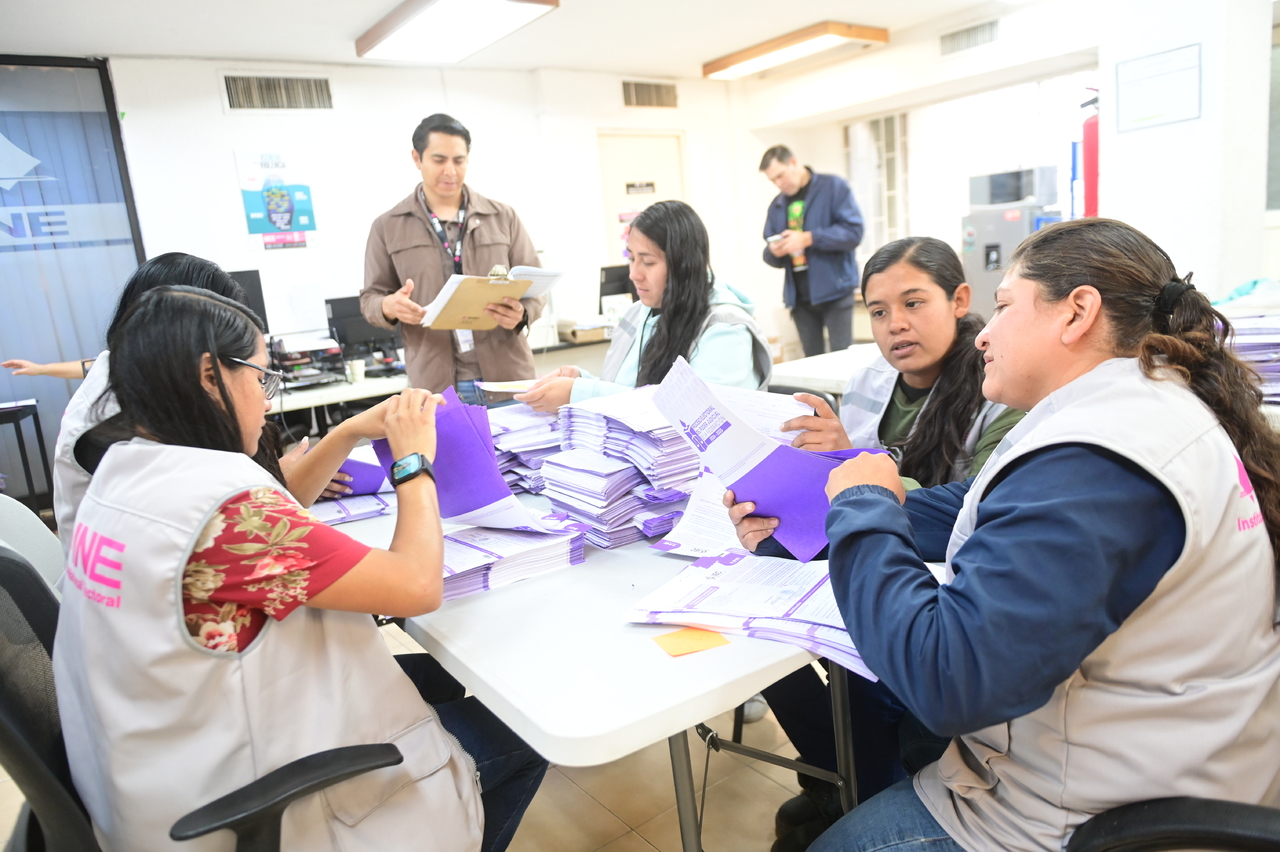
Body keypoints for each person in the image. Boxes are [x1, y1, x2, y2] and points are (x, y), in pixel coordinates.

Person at [736, 218, 1280, 852]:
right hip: (1143, 761)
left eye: (1003, 307)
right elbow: (973, 506)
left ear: (1077, 312)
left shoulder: (1097, 459)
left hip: (1083, 813)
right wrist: (804, 524)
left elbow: (946, 681)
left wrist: (864, 507)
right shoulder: (1124, 414)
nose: (985, 335)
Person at [53, 286, 547, 852]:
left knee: (431, 676)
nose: (267, 403)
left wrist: (351, 430)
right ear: (210, 376)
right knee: (529, 731)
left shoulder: (124, 472)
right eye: (261, 378)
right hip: (247, 802)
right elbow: (417, 584)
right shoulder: (225, 514)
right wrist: (414, 462)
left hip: (156, 776)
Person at [741, 237, 1024, 852]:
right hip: (872, 550)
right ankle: (837, 775)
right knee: (760, 600)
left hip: (937, 580)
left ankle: (863, 788)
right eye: (877, 310)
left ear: (960, 300)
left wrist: (856, 470)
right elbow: (841, 491)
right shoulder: (871, 379)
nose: (895, 324)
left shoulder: (1001, 382)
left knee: (865, 667)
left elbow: (974, 509)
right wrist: (777, 511)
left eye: (913, 303)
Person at [50, 253, 354, 559]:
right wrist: (271, 485)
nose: (265, 402)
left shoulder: (141, 386)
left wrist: (273, 482)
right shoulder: (118, 422)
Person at [514, 200, 771, 412]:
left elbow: (693, 416)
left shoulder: (725, 329)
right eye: (631, 258)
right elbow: (631, 391)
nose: (634, 274)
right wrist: (581, 381)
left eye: (648, 262)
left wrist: (582, 392)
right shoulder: (638, 313)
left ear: (684, 265)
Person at [361, 113, 544, 408]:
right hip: (437, 388)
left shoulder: (502, 217)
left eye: (459, 161)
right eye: (439, 160)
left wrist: (522, 314)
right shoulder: (388, 226)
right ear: (417, 158)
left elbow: (536, 288)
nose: (450, 171)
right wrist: (388, 306)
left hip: (508, 378)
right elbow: (370, 298)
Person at [761, 146, 864, 357]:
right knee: (811, 361)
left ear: (793, 162)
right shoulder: (777, 205)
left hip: (836, 290)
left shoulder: (833, 187)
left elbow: (853, 233)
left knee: (843, 358)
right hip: (800, 298)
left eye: (780, 175)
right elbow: (768, 253)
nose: (779, 183)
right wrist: (774, 252)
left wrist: (809, 238)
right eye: (773, 180)